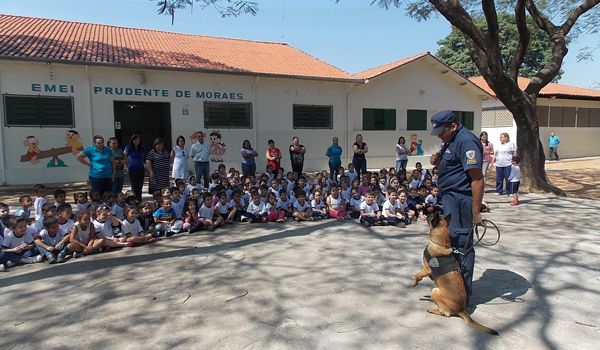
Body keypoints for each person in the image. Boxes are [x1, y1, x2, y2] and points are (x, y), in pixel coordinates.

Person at [429, 110, 484, 303]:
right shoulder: (451, 139)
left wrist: (476, 212)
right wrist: (436, 160)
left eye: (441, 131)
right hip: (450, 197)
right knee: (452, 243)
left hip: (462, 200)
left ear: (452, 126)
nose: (439, 135)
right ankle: (455, 289)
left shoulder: (466, 141)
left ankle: (463, 296)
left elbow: (477, 179)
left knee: (462, 245)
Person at [124, 133, 146, 202]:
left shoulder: (142, 147)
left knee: (140, 185)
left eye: (138, 140)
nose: (137, 141)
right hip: (132, 168)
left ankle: (139, 199)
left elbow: (142, 157)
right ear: (132, 140)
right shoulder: (129, 147)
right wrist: (127, 166)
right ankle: (135, 199)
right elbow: (125, 157)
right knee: (134, 185)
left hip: (140, 168)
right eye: (135, 140)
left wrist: (143, 165)